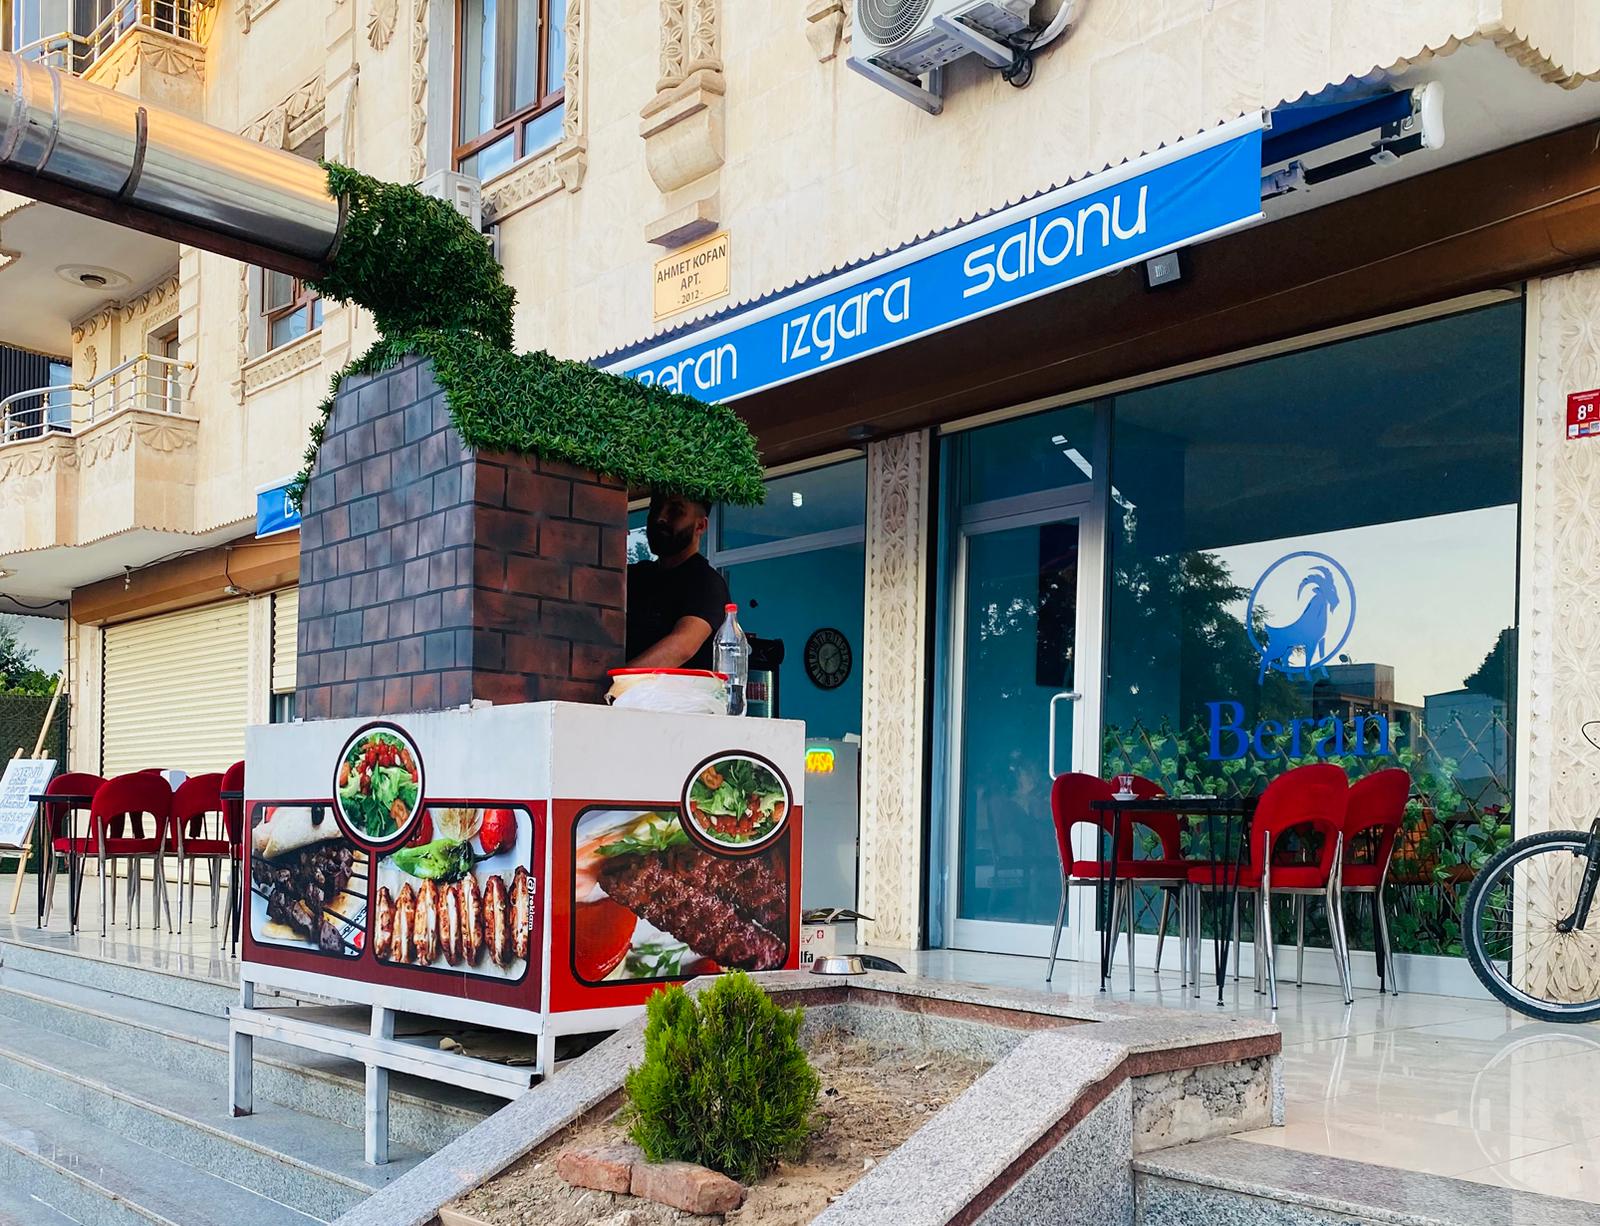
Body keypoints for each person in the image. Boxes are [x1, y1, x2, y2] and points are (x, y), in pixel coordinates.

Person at [625, 492, 731, 670]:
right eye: (655, 508)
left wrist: (612, 684)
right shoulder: (635, 576)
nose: (660, 518)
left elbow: (682, 647)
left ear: (700, 526)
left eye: (675, 511)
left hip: (678, 696)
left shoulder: (706, 582)